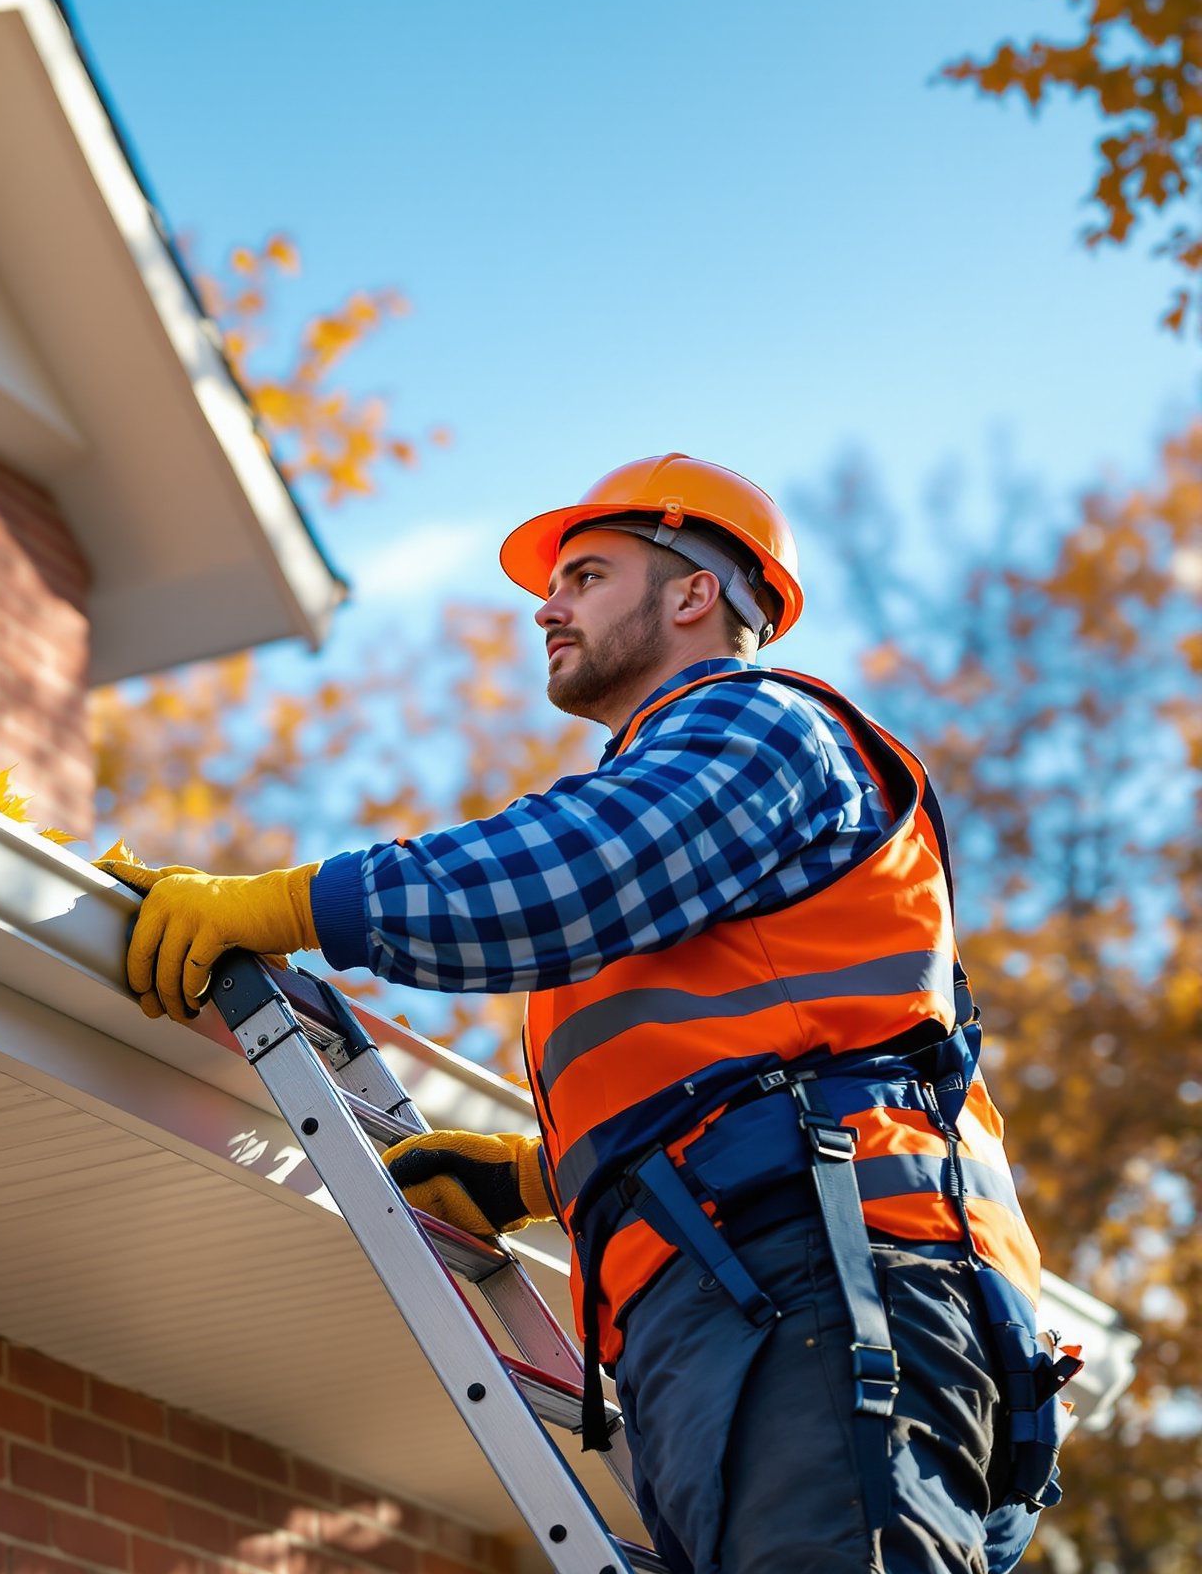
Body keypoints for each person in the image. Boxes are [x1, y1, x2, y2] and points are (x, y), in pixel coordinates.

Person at [100, 455, 1078, 1574]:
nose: (544, 605)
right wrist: (533, 1178)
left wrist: (281, 904)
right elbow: (746, 1066)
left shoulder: (758, 727)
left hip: (830, 1290)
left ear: (693, 594)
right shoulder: (701, 794)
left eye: (586, 574)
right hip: (776, 1299)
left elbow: (569, 873)